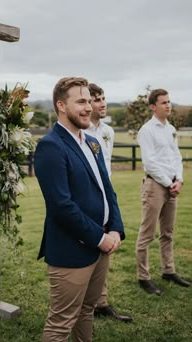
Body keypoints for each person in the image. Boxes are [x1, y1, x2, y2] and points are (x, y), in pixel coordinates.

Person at [34, 77, 125, 342]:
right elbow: (61, 206)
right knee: (62, 321)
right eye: (81, 101)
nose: (89, 107)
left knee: (87, 309)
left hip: (102, 246)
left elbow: (108, 190)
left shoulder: (93, 143)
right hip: (71, 250)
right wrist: (100, 238)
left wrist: (115, 229)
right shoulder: (51, 146)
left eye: (90, 100)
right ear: (61, 106)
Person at [136, 88, 191, 295]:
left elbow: (176, 157)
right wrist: (169, 183)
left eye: (169, 101)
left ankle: (169, 271)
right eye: (163, 102)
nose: (168, 105)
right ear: (153, 106)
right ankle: (143, 277)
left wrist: (180, 180)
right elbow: (150, 163)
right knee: (147, 234)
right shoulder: (147, 130)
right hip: (155, 186)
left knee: (167, 233)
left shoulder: (171, 129)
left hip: (172, 186)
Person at [85, 83, 132, 322]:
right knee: (88, 244)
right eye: (97, 99)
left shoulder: (108, 132)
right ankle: (84, 304)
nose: (102, 103)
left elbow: (108, 166)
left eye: (104, 98)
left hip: (106, 194)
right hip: (86, 197)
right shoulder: (81, 131)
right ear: (87, 103)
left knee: (108, 246)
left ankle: (101, 303)